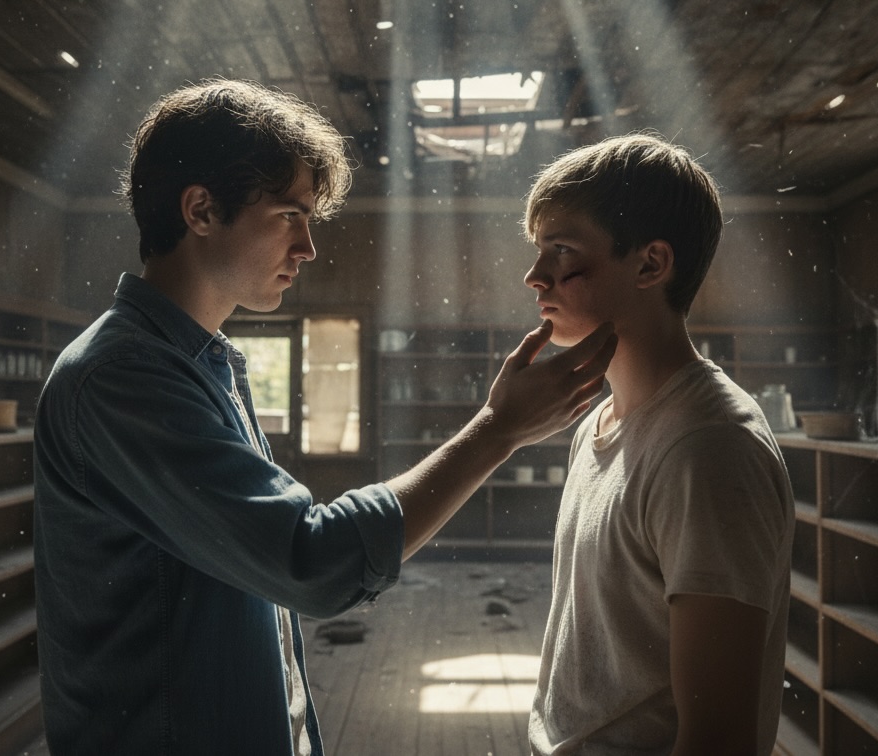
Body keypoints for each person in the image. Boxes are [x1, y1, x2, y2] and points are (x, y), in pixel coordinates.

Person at [32, 78, 618, 755]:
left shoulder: (196, 362)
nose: (308, 247)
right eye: (290, 215)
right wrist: (498, 429)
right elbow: (311, 560)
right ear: (201, 210)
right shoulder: (123, 378)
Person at [521, 134, 795, 756]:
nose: (535, 277)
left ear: (650, 264)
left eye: (562, 251)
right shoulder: (598, 422)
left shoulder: (710, 449)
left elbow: (717, 741)